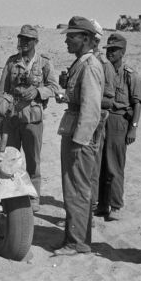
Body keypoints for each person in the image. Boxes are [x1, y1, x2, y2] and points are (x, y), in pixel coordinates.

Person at [53, 17, 104, 255]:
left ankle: (78, 242)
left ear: (85, 38)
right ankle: (74, 239)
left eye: (71, 36)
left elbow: (91, 110)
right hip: (74, 134)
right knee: (73, 188)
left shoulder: (90, 66)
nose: (66, 39)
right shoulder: (81, 63)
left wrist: (79, 141)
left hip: (80, 138)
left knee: (77, 190)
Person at [0, 24, 58, 213]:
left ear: (35, 42)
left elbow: (54, 87)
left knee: (33, 161)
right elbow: (2, 89)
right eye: (21, 39)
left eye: (27, 40)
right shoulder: (12, 62)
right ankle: (9, 198)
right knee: (9, 160)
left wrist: (38, 91)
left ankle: (33, 197)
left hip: (33, 120)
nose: (22, 42)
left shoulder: (44, 62)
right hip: (12, 119)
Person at [96, 32, 141, 220]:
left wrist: (134, 127)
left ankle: (115, 205)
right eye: (108, 49)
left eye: (114, 50)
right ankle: (102, 204)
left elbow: (137, 103)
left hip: (119, 121)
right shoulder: (102, 70)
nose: (110, 53)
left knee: (115, 165)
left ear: (122, 52)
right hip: (103, 119)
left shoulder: (131, 75)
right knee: (100, 165)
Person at [88, 20, 116, 222]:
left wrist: (89, 100)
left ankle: (92, 203)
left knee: (94, 165)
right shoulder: (87, 62)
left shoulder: (104, 66)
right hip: (85, 120)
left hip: (96, 121)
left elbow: (109, 98)